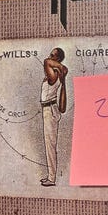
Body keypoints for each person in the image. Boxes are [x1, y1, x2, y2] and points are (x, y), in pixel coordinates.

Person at [40, 47, 67, 186]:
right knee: (50, 143)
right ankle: (51, 176)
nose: (49, 57)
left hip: (49, 110)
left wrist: (62, 68)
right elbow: (62, 108)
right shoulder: (58, 74)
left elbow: (46, 61)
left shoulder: (54, 74)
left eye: (53, 55)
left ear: (58, 59)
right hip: (51, 109)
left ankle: (51, 179)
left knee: (50, 144)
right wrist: (63, 71)